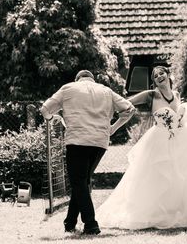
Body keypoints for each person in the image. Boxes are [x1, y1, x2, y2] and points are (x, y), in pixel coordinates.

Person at [96, 66, 187, 230]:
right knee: (153, 178)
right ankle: (150, 213)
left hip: (177, 141)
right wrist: (113, 120)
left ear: (168, 76)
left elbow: (180, 118)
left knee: (177, 178)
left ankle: (171, 212)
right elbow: (126, 104)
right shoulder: (151, 95)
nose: (159, 76)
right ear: (154, 81)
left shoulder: (177, 95)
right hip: (157, 140)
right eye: (155, 75)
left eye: (162, 73)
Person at [40, 69, 135, 235]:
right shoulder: (106, 91)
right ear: (92, 79)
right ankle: (69, 223)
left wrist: (53, 118)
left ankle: (91, 224)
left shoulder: (68, 88)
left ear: (77, 79)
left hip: (77, 139)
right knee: (82, 182)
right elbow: (129, 109)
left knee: (78, 182)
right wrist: (113, 128)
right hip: (100, 142)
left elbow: (45, 109)